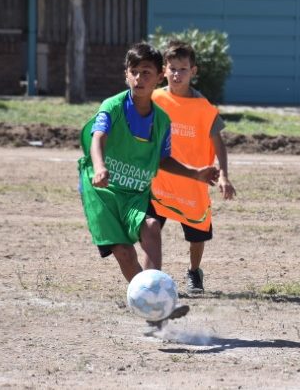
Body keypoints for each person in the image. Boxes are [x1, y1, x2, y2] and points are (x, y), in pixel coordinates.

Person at [77, 42, 219, 325]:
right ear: (126, 75)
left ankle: (155, 302)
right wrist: (101, 166)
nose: (139, 78)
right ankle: (152, 310)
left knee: (152, 226)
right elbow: (97, 138)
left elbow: (163, 159)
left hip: (134, 190)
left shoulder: (162, 120)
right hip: (102, 190)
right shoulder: (113, 107)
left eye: (146, 73)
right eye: (134, 72)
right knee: (124, 252)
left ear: (158, 77)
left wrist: (195, 173)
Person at [149, 40, 237, 295]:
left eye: (183, 69)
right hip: (160, 180)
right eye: (172, 68)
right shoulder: (154, 99)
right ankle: (150, 276)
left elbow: (218, 144)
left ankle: (193, 272)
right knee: (149, 228)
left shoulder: (204, 108)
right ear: (164, 70)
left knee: (197, 235)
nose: (177, 74)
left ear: (193, 71)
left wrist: (224, 176)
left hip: (194, 181)